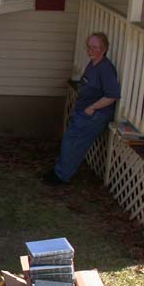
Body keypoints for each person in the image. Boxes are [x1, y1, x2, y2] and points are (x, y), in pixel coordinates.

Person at [43, 32, 120, 186]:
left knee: (74, 143)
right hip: (82, 111)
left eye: (95, 48)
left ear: (104, 49)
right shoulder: (92, 64)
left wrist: (92, 108)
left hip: (94, 115)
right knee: (69, 141)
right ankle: (60, 170)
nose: (91, 50)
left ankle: (61, 176)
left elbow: (112, 96)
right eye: (89, 47)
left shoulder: (106, 69)